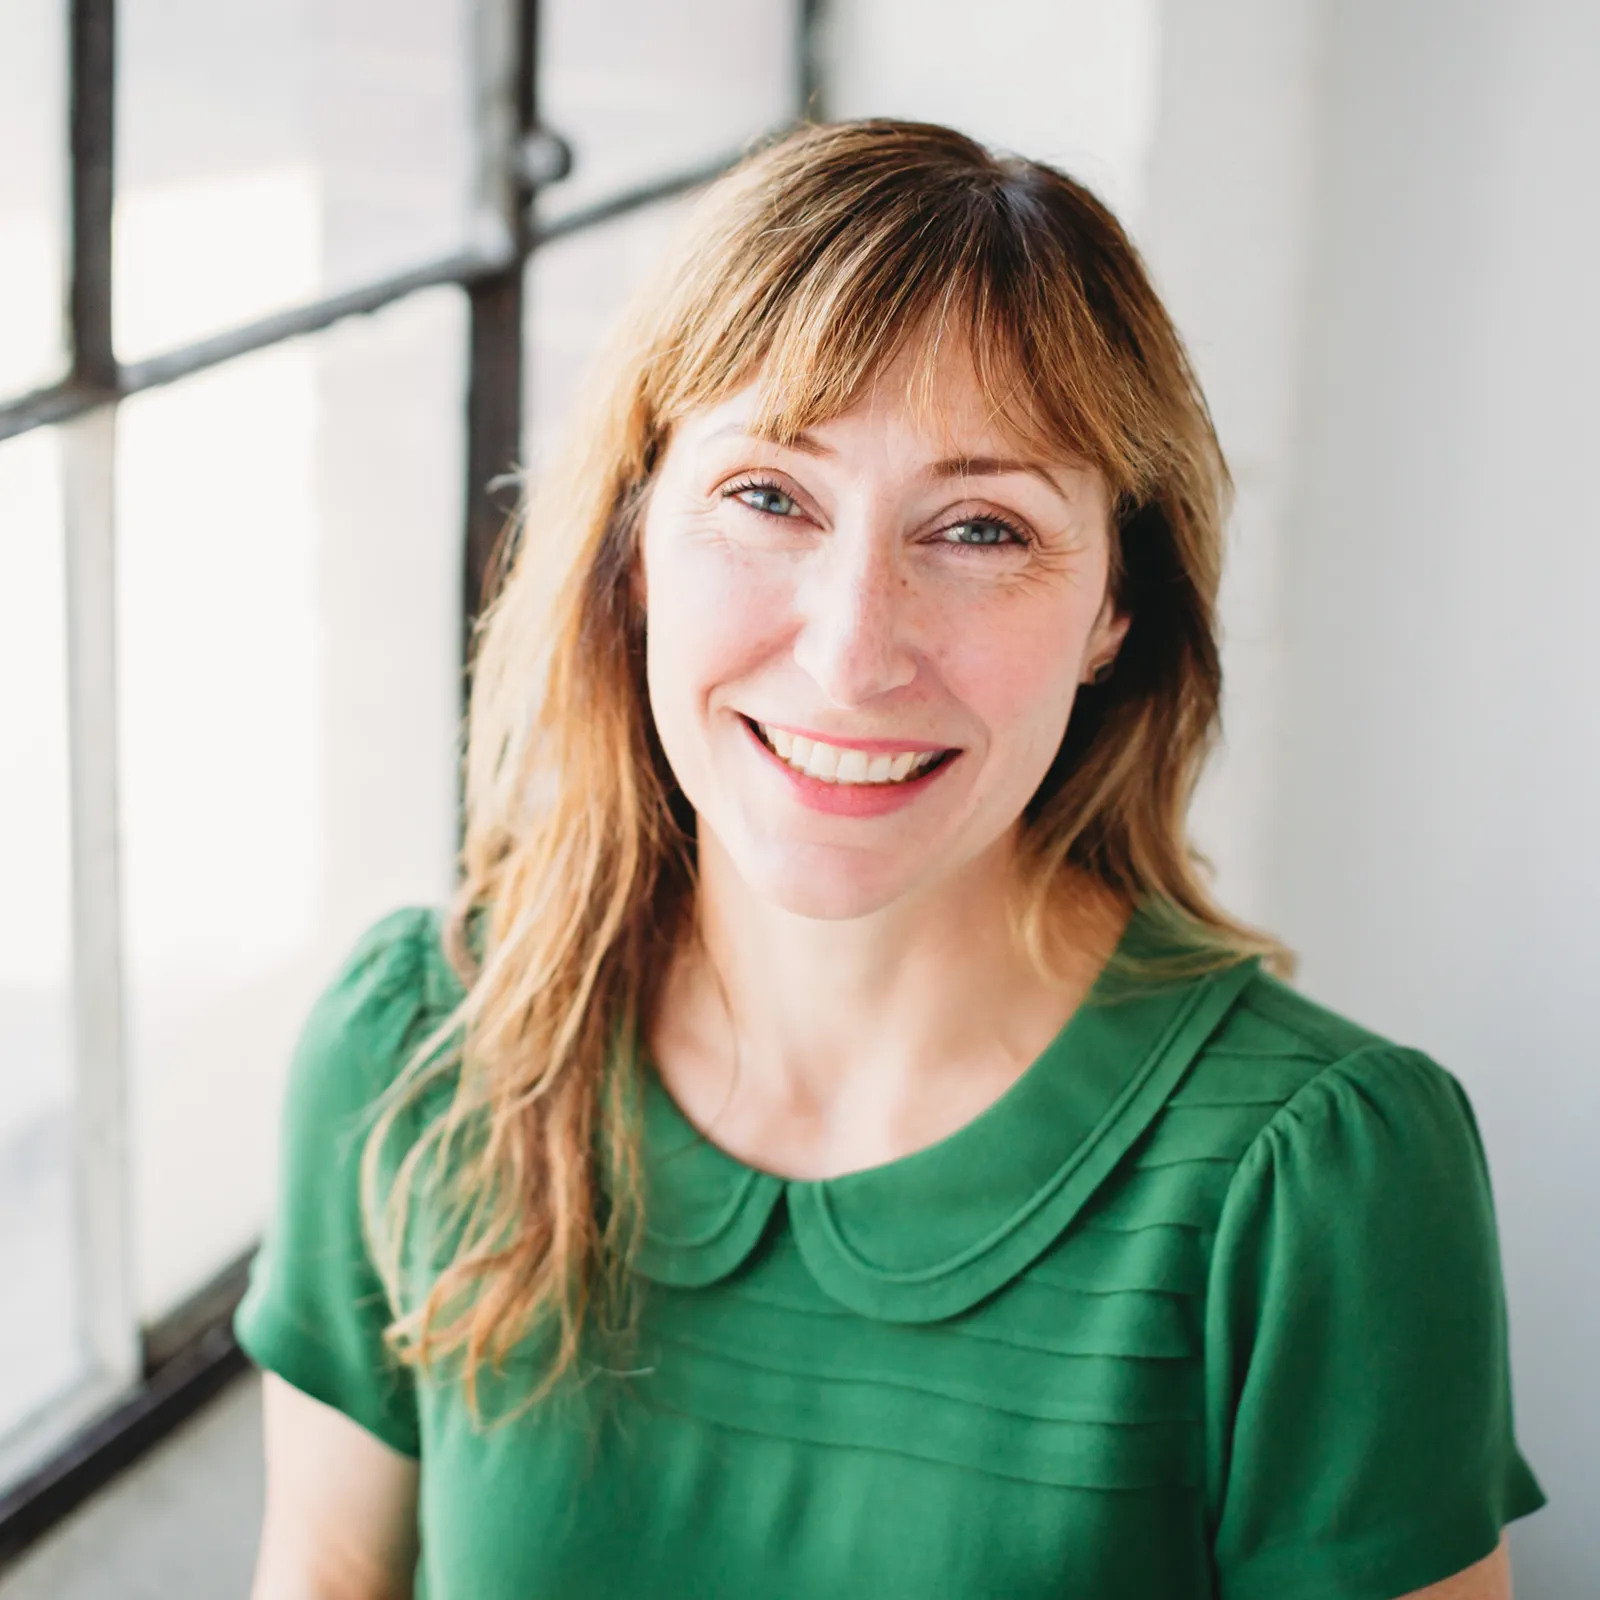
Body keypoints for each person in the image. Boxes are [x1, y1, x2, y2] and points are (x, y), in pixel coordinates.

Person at [237, 120, 1545, 1599]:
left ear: (1119, 607)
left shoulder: (1320, 1179)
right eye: (770, 497)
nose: (854, 654)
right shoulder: (416, 1046)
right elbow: (332, 1572)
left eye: (982, 528)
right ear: (636, 539)